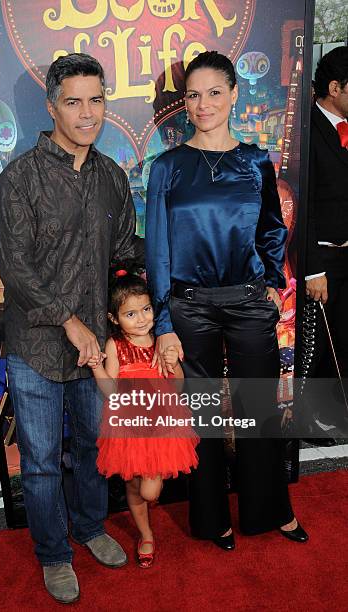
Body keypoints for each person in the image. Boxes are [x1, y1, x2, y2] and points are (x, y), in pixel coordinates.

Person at [0, 53, 143, 604]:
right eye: (73, 101)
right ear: (52, 104)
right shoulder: (19, 181)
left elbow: (124, 255)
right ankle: (54, 554)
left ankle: (90, 527)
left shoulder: (111, 177)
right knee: (39, 462)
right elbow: (16, 270)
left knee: (91, 446)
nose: (87, 113)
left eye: (96, 100)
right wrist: (71, 323)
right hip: (37, 346)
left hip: (95, 350)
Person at [145, 51, 308, 550]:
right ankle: (212, 517)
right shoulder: (167, 167)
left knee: (257, 410)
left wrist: (271, 290)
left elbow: (271, 230)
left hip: (247, 301)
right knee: (205, 418)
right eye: (193, 94)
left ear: (234, 94)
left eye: (214, 91)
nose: (203, 103)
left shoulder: (257, 161)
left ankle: (270, 510)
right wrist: (164, 321)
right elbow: (157, 246)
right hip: (189, 305)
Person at [89, 268, 198, 568]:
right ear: (114, 319)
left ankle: (151, 505)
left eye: (146, 309)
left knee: (150, 490)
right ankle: (145, 534)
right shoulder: (116, 346)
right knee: (135, 487)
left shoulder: (162, 341)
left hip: (162, 430)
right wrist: (96, 366)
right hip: (129, 430)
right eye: (131, 314)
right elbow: (111, 391)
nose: (142, 319)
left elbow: (177, 386)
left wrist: (173, 363)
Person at [303, 46, 348, 441]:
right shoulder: (306, 127)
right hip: (322, 257)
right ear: (335, 87)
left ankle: (336, 412)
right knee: (319, 341)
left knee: (345, 335)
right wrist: (313, 267)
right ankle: (311, 418)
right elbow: (306, 205)